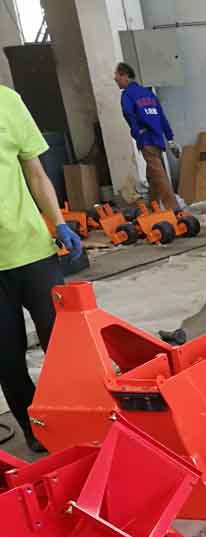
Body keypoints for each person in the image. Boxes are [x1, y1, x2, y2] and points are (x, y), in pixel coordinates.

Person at [0, 86, 83, 453]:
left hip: (32, 249)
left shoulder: (8, 101)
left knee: (63, 345)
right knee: (6, 357)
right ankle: (35, 429)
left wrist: (59, 223)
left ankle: (77, 418)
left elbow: (35, 172)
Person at [114, 62, 180, 210]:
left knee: (159, 176)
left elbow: (129, 115)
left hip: (147, 140)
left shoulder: (127, 94)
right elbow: (161, 116)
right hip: (158, 139)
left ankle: (174, 209)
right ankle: (152, 206)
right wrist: (170, 139)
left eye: (117, 76)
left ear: (125, 76)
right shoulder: (148, 93)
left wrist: (137, 133)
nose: (115, 79)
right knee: (153, 174)